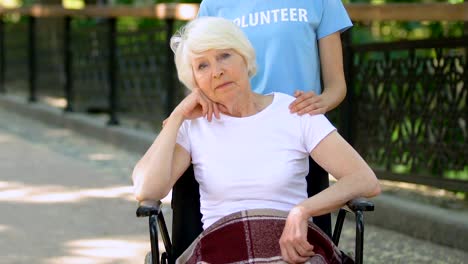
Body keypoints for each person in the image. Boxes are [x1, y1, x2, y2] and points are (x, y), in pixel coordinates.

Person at [132, 17, 380, 264]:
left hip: (290, 251)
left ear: (244, 57)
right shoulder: (193, 127)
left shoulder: (294, 113)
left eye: (225, 56)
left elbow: (365, 180)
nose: (217, 71)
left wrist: (302, 211)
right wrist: (176, 118)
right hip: (221, 251)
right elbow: (147, 190)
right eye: (202, 66)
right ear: (194, 80)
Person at [197, 1, 354, 235]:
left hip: (300, 138)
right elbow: (199, 64)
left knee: (308, 241)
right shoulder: (213, 4)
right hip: (230, 135)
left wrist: (321, 104)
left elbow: (336, 86)